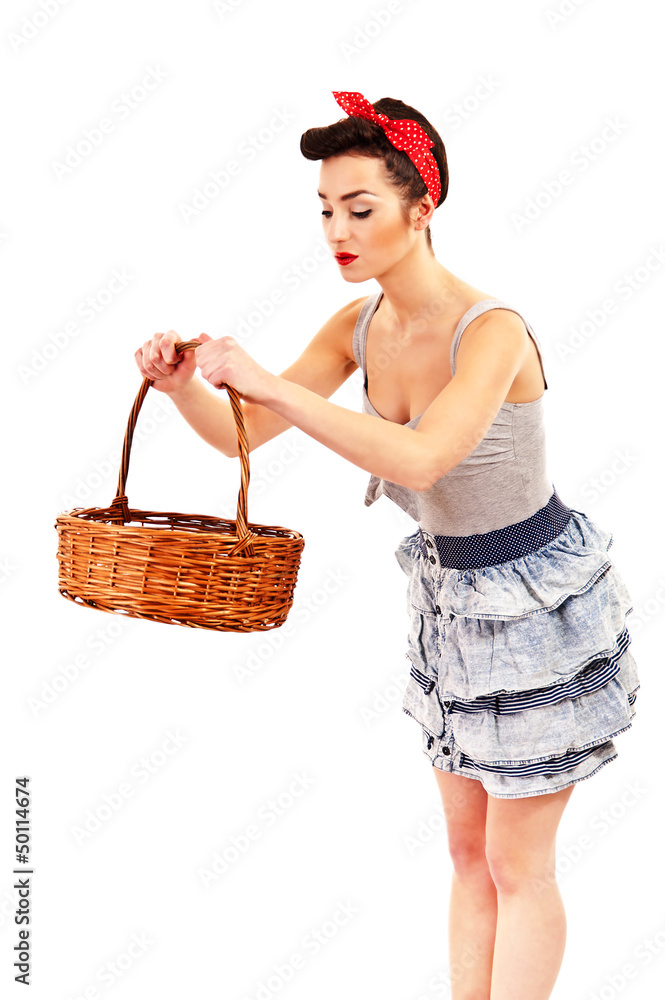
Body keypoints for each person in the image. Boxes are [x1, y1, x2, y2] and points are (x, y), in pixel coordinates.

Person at [134, 92, 639, 1000]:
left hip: (535, 604)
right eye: (326, 211)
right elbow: (239, 436)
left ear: (421, 209)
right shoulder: (357, 326)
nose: (338, 230)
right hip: (446, 605)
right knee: (465, 854)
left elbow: (422, 454)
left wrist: (271, 388)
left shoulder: (493, 331)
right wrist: (180, 389)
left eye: (359, 209)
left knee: (519, 864)